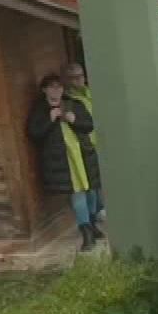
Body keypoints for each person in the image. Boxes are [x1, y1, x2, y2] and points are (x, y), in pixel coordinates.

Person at [28, 72, 103, 251]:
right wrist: (49, 119)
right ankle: (86, 232)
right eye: (52, 87)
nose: (56, 90)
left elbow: (89, 125)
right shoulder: (40, 110)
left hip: (83, 155)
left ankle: (92, 224)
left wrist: (74, 119)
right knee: (77, 193)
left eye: (59, 87)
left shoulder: (74, 104)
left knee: (91, 191)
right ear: (44, 90)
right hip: (62, 160)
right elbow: (34, 133)